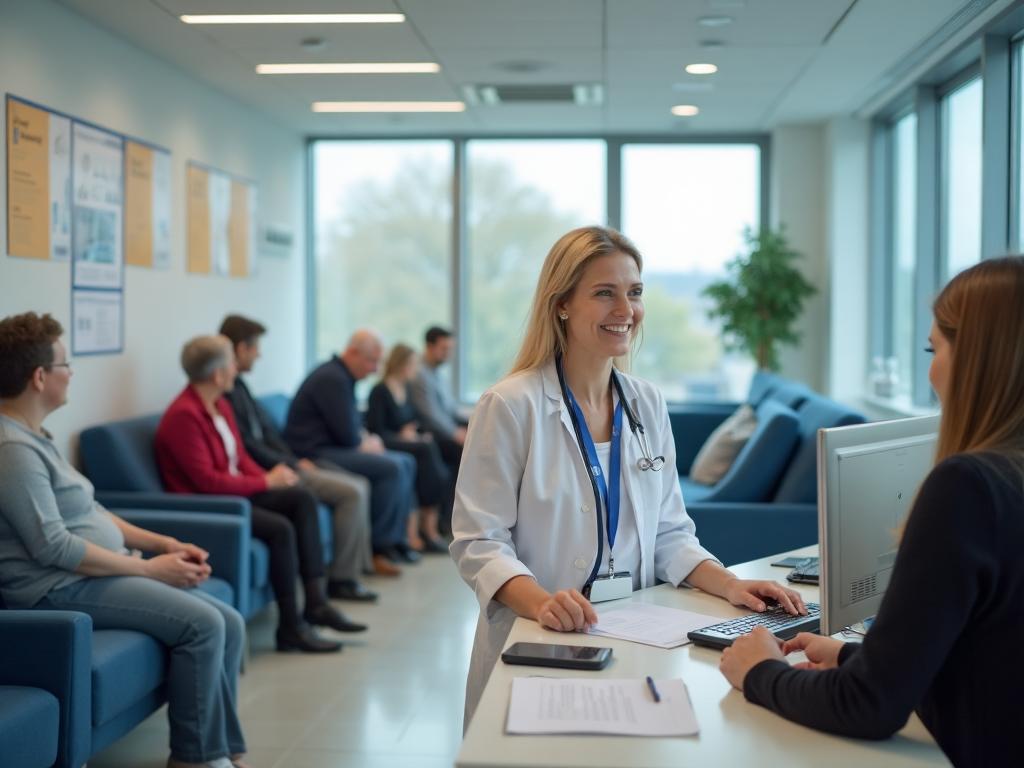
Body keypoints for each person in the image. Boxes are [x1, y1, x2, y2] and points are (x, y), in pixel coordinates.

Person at [450, 226, 805, 723]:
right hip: (538, 639)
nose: (626, 310)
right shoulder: (510, 405)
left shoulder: (646, 403)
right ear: (562, 305)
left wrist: (729, 584)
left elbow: (670, 532)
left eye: (634, 292)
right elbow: (478, 542)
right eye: (604, 293)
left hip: (636, 637)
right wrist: (543, 602)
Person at [718, 256, 1024, 767]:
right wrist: (853, 656)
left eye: (935, 347)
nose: (931, 369)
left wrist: (760, 672)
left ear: (975, 359)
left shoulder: (968, 488)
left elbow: (868, 707)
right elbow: (987, 655)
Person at [0, 312, 248, 768]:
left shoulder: (35, 436)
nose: (71, 372)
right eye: (65, 364)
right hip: (54, 588)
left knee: (228, 620)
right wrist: (150, 569)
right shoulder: (11, 451)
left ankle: (224, 750)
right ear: (39, 377)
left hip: (86, 575)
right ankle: (195, 758)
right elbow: (53, 547)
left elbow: (89, 510)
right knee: (204, 625)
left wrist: (162, 543)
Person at [155, 335, 365, 654]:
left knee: (302, 499)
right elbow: (208, 482)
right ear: (217, 374)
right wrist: (266, 483)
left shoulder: (220, 405)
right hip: (214, 506)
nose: (235, 369)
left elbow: (239, 459)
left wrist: (272, 476)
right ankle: (291, 627)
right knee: (280, 528)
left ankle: (317, 603)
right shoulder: (184, 415)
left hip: (236, 494)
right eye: (230, 363)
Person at [218, 315, 378, 601]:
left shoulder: (240, 388)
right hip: (272, 471)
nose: (259, 354)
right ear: (241, 348)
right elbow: (248, 448)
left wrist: (293, 459)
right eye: (255, 348)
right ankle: (341, 580)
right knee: (352, 491)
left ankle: (357, 569)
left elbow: (268, 435)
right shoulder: (226, 396)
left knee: (359, 483)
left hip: (287, 460)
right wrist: (289, 465)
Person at [284, 329, 420, 567]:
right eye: (371, 361)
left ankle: (396, 539)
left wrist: (367, 439)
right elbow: (347, 436)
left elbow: (353, 425)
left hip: (333, 447)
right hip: (315, 453)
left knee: (406, 461)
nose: (375, 369)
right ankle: (380, 546)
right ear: (352, 353)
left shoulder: (342, 377)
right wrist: (366, 443)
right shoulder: (332, 378)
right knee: (391, 467)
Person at [366, 343, 450, 553]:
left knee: (428, 445)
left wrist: (416, 432)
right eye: (413, 364)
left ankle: (427, 528)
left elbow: (412, 421)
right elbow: (376, 429)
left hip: (405, 442)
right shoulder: (380, 391)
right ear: (403, 365)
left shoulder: (404, 390)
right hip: (386, 442)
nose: (416, 369)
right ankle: (427, 529)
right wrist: (402, 435)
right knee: (427, 451)